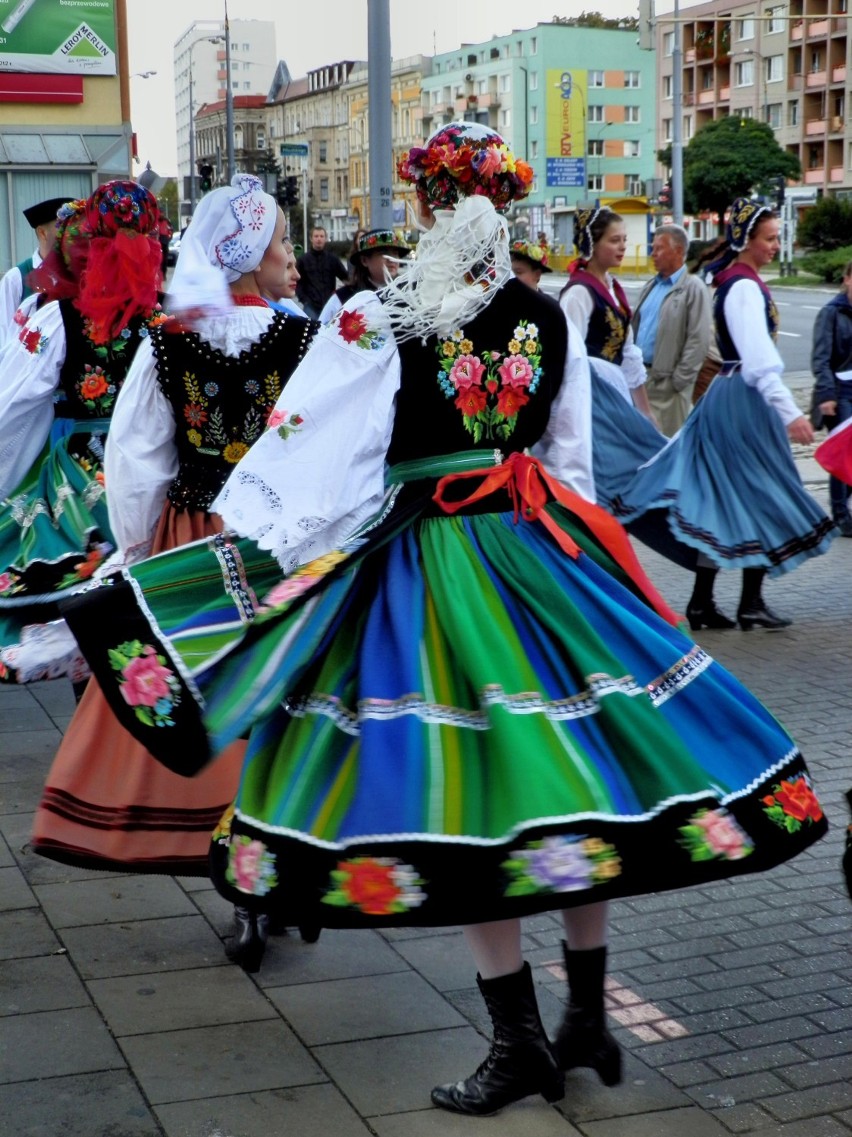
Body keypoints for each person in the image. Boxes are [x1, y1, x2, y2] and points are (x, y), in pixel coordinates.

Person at [60, 127, 826, 1117]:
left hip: (430, 567)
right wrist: (582, 565)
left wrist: (256, 553)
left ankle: (519, 1042)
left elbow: (319, 457)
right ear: (499, 213)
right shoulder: (544, 316)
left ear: (426, 210)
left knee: (474, 809)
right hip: (539, 556)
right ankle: (584, 1018)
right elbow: (570, 464)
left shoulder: (377, 318)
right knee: (575, 779)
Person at [31, 175, 320, 977]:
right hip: (274, 541)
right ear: (245, 257)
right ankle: (274, 871)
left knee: (211, 698)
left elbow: (136, 461)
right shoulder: (303, 342)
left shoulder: (168, 340)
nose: (291, 258)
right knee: (281, 702)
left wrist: (137, 547)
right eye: (281, 245)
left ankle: (244, 886)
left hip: (190, 538)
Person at [616, 197, 834, 631]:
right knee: (763, 494)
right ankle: (742, 602)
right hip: (744, 401)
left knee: (723, 499)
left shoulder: (738, 280)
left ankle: (709, 603)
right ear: (747, 240)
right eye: (770, 238)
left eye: (777, 238)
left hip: (731, 397)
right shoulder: (744, 287)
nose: (776, 245)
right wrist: (790, 412)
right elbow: (758, 360)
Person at [0, 182, 167, 685]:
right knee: (135, 612)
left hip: (80, 473)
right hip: (150, 471)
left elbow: (11, 408)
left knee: (86, 608)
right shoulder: (163, 320)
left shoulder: (59, 317)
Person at [561, 207, 656, 423]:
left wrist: (645, 412)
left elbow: (629, 351)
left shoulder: (613, 287)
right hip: (590, 399)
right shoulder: (579, 293)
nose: (622, 246)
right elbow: (569, 358)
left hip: (615, 394)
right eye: (614, 240)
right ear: (592, 244)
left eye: (624, 239)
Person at [632, 224, 712, 437]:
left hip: (667, 387)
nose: (653, 254)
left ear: (678, 251)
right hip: (641, 382)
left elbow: (699, 339)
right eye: (652, 248)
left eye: (658, 248)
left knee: (666, 450)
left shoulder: (693, 287)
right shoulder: (651, 286)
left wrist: (678, 381)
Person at [810, 261, 852, 536]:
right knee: (845, 451)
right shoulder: (831, 313)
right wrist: (826, 394)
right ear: (847, 279)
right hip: (839, 391)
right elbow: (821, 358)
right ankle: (840, 513)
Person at [0, 195, 71, 345]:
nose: (70, 234)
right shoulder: (16, 278)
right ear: (42, 233)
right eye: (62, 227)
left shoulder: (78, 274)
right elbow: (4, 338)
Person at [319, 228, 411, 323]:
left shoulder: (409, 294)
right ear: (364, 261)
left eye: (395, 254)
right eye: (384, 254)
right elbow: (321, 331)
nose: (392, 259)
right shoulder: (343, 298)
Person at [295, 225, 348, 318]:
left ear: (325, 239)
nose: (319, 239)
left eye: (321, 236)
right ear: (311, 238)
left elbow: (345, 278)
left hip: (329, 304)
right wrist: (304, 300)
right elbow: (297, 282)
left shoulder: (333, 259)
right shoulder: (303, 260)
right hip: (310, 305)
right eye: (316, 236)